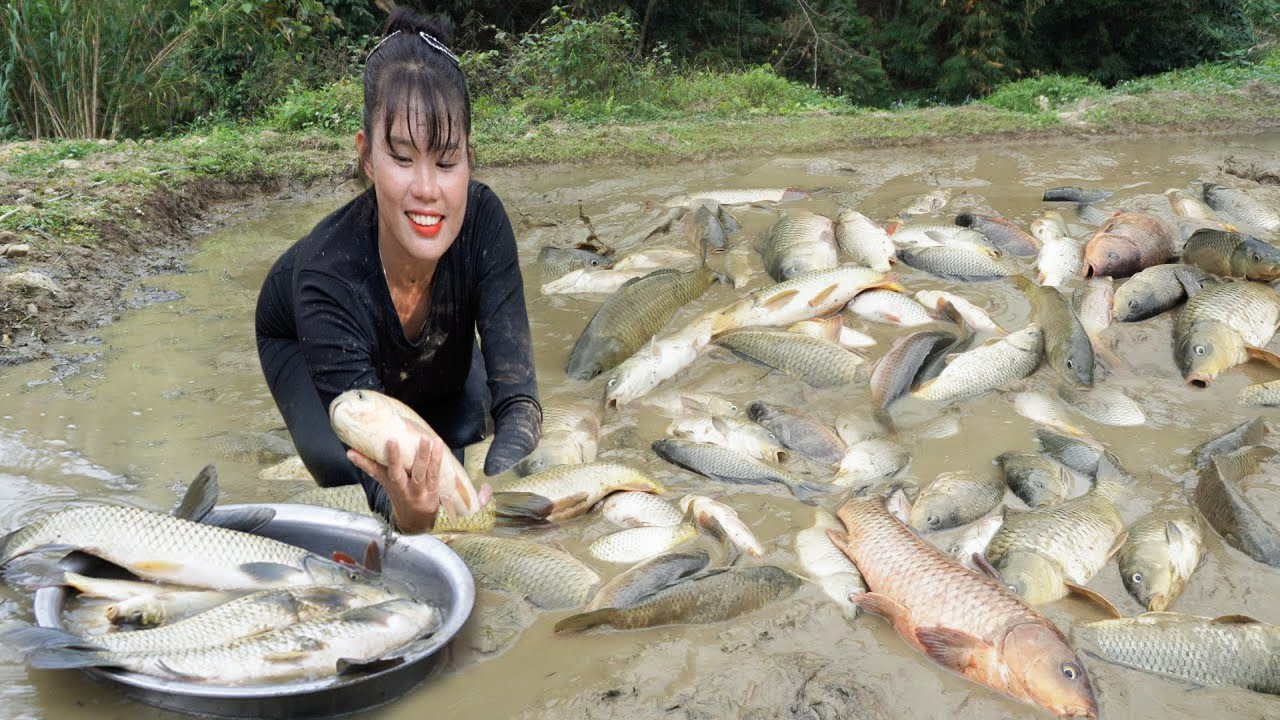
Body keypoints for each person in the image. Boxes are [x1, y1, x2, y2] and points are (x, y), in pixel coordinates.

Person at [254, 8, 541, 533]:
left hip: (421, 344)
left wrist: (499, 497)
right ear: (367, 157)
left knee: (470, 427)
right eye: (403, 158)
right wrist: (408, 514)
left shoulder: (483, 223)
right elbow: (385, 495)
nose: (428, 189)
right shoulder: (326, 277)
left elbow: (519, 401)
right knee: (342, 466)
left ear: (470, 161)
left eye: (447, 161)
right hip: (295, 332)